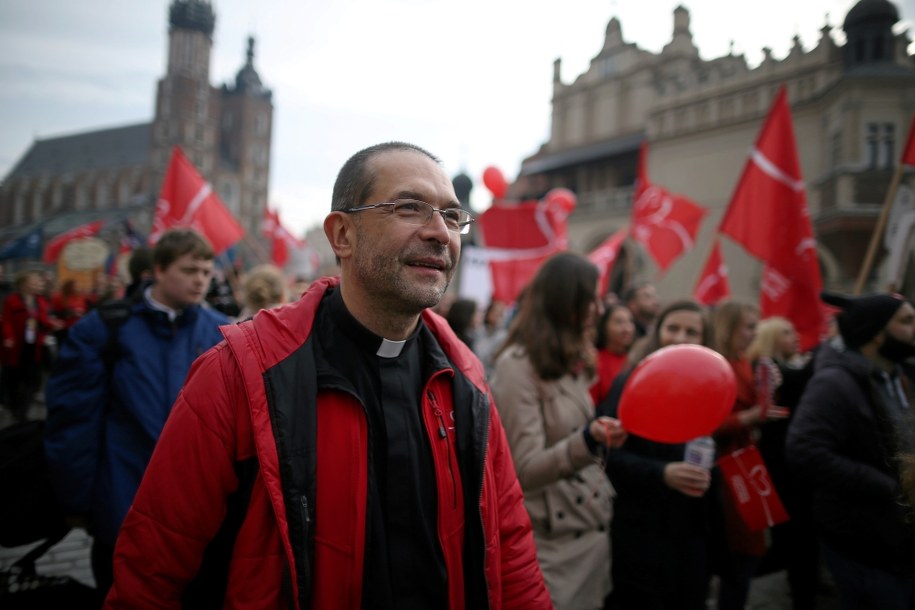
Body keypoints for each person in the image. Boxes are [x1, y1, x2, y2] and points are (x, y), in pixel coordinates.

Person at [103, 142, 552, 609]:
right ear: (342, 235)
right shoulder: (240, 374)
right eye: (410, 208)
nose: (441, 233)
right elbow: (151, 568)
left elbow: (510, 548)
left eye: (452, 217)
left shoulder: (466, 378)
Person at [44, 228, 229, 601]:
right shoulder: (107, 327)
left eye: (207, 272)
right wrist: (76, 501)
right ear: (158, 270)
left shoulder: (220, 331)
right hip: (123, 496)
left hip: (195, 511)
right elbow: (74, 421)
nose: (200, 281)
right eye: (190, 270)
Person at [490, 252, 627, 610]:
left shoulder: (571, 359)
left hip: (589, 535)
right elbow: (523, 470)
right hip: (551, 550)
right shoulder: (516, 368)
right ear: (565, 302)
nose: (599, 309)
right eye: (591, 299)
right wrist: (588, 441)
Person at [787, 292, 915, 609]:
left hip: (899, 540)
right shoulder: (835, 383)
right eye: (906, 321)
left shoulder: (899, 376)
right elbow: (805, 450)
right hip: (864, 543)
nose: (914, 328)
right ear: (875, 333)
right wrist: (889, 486)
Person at [599, 299, 714, 610]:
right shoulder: (631, 382)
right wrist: (662, 473)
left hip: (689, 531)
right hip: (639, 529)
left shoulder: (712, 386)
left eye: (692, 331)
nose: (680, 337)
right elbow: (608, 456)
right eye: (672, 328)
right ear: (657, 332)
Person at [709, 300, 789, 610]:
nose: (754, 334)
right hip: (726, 466)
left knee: (749, 549)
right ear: (729, 329)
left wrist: (769, 391)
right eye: (748, 327)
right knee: (739, 553)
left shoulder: (742, 359)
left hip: (745, 461)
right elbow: (709, 422)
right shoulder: (719, 363)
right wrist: (751, 416)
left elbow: (755, 408)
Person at [746, 316, 819, 610]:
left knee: (797, 536)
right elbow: (796, 379)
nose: (796, 336)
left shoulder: (788, 366)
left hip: (791, 460)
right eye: (787, 332)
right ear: (772, 338)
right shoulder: (767, 367)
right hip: (778, 462)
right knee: (792, 536)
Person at [1, 269, 60, 422]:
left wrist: (53, 324)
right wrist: (8, 337)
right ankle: (13, 405)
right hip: (15, 346)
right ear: (23, 284)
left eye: (37, 282)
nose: (36, 284)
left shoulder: (39, 301)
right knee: (13, 377)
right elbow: (6, 321)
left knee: (31, 379)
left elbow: (42, 320)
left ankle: (22, 412)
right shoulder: (11, 300)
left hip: (34, 345)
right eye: (33, 281)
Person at [590, 303, 635, 406]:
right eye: (619, 322)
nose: (627, 329)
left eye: (630, 322)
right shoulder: (594, 360)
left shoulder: (637, 359)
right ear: (604, 326)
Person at [473, 297, 509, 377]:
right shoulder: (479, 332)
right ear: (488, 313)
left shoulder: (503, 336)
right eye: (495, 313)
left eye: (501, 315)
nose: (498, 318)